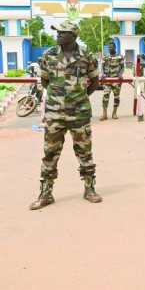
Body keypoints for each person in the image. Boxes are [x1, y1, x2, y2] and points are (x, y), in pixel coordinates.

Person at [29, 20, 103, 210]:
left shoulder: (86, 56)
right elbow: (45, 81)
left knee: (85, 152)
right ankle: (46, 194)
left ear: (73, 35)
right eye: (58, 32)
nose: (58, 35)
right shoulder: (49, 55)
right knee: (50, 153)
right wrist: (59, 99)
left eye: (62, 32)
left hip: (80, 114)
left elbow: (95, 81)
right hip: (55, 114)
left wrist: (79, 98)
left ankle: (90, 189)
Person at [100, 42, 124, 121]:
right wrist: (102, 74)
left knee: (116, 97)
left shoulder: (120, 57)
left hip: (116, 80)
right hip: (107, 80)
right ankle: (104, 114)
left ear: (115, 48)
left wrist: (120, 74)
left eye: (111, 47)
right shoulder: (105, 57)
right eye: (109, 47)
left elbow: (122, 67)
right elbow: (102, 67)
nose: (110, 49)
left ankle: (114, 113)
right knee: (105, 95)